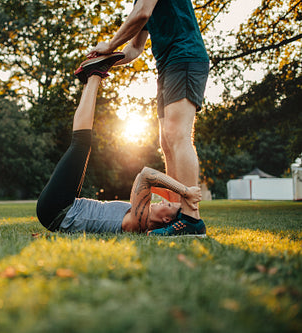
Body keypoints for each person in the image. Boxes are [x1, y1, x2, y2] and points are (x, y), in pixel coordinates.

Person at [36, 55, 206, 236]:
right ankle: (89, 80)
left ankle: (94, 75)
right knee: (80, 144)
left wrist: (185, 191)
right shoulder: (142, 210)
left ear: (166, 220)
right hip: (66, 206)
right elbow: (149, 182)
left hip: (57, 210)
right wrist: (180, 196)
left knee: (81, 144)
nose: (164, 202)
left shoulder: (138, 222)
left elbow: (147, 175)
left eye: (169, 206)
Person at [86, 0, 209, 236]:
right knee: (166, 142)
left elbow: (141, 14)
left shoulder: (143, 4)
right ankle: (177, 214)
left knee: (178, 135)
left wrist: (109, 44)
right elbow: (135, 49)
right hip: (168, 66)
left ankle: (191, 217)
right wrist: (106, 59)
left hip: (184, 57)